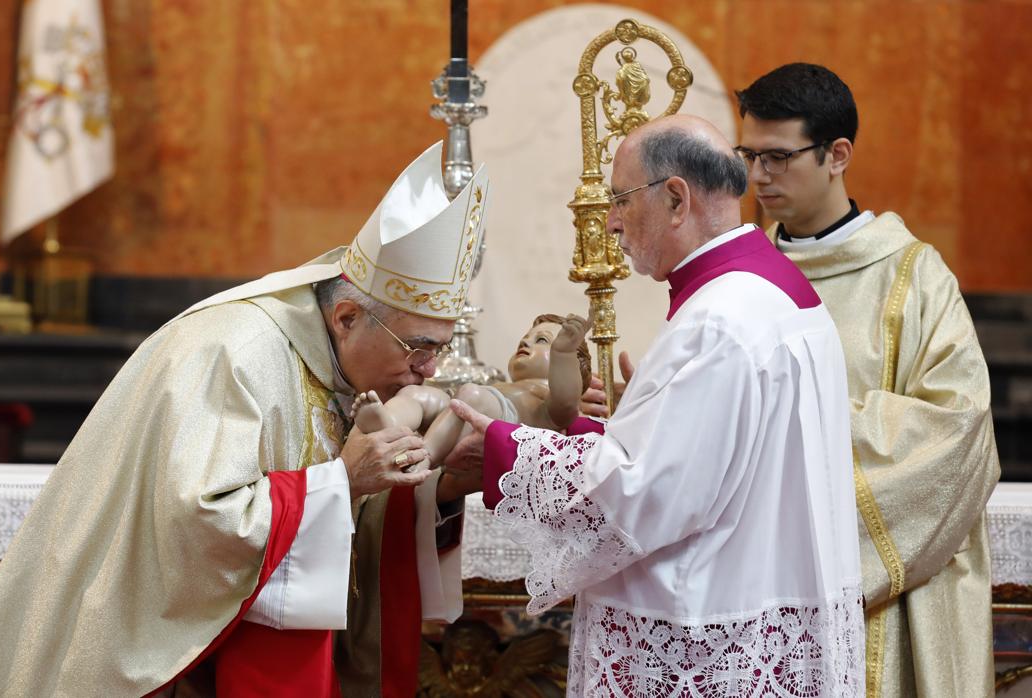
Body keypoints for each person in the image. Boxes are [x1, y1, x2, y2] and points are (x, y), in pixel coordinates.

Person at [0, 142, 489, 697]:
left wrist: (439, 490)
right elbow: (197, 523)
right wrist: (342, 481)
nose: (428, 369)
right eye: (418, 347)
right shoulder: (236, 352)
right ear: (346, 317)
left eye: (438, 350)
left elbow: (337, 520)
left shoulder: (332, 363)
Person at [449, 114, 865, 696]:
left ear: (676, 198)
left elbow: (647, 492)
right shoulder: (771, 291)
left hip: (707, 640)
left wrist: (506, 449)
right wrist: (624, 426)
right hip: (753, 609)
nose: (612, 222)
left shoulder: (718, 320)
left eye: (620, 199)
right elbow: (711, 464)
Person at [736, 62, 1001, 696]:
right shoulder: (740, 279)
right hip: (758, 588)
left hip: (895, 592)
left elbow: (959, 430)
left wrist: (785, 421)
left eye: (777, 157)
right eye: (748, 155)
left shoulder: (913, 278)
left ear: (837, 155)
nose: (756, 177)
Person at [351, 312, 592, 469]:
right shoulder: (507, 386)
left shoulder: (549, 398)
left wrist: (564, 353)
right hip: (463, 412)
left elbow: (568, 402)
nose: (525, 342)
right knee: (420, 394)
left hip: (498, 423)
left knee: (471, 395)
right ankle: (388, 421)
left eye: (542, 340)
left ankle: (424, 456)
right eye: (525, 338)